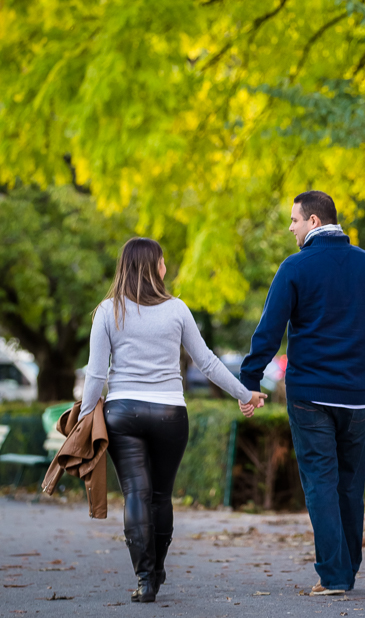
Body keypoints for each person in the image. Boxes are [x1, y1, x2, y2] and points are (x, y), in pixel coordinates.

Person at [239, 191, 365, 596]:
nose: (291, 228)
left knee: (320, 483)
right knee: (349, 484)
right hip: (356, 396)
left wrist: (249, 379)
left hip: (310, 394)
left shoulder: (295, 268)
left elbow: (269, 330)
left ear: (314, 222)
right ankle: (347, 568)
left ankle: (334, 575)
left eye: (295, 220)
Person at [79, 237, 265, 603]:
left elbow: (96, 375)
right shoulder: (177, 309)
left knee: (136, 493)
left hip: (123, 413)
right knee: (161, 496)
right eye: (163, 261)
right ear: (154, 267)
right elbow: (207, 362)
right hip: (169, 413)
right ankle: (157, 568)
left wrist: (85, 416)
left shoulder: (107, 311)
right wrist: (245, 394)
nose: (165, 267)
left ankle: (145, 578)